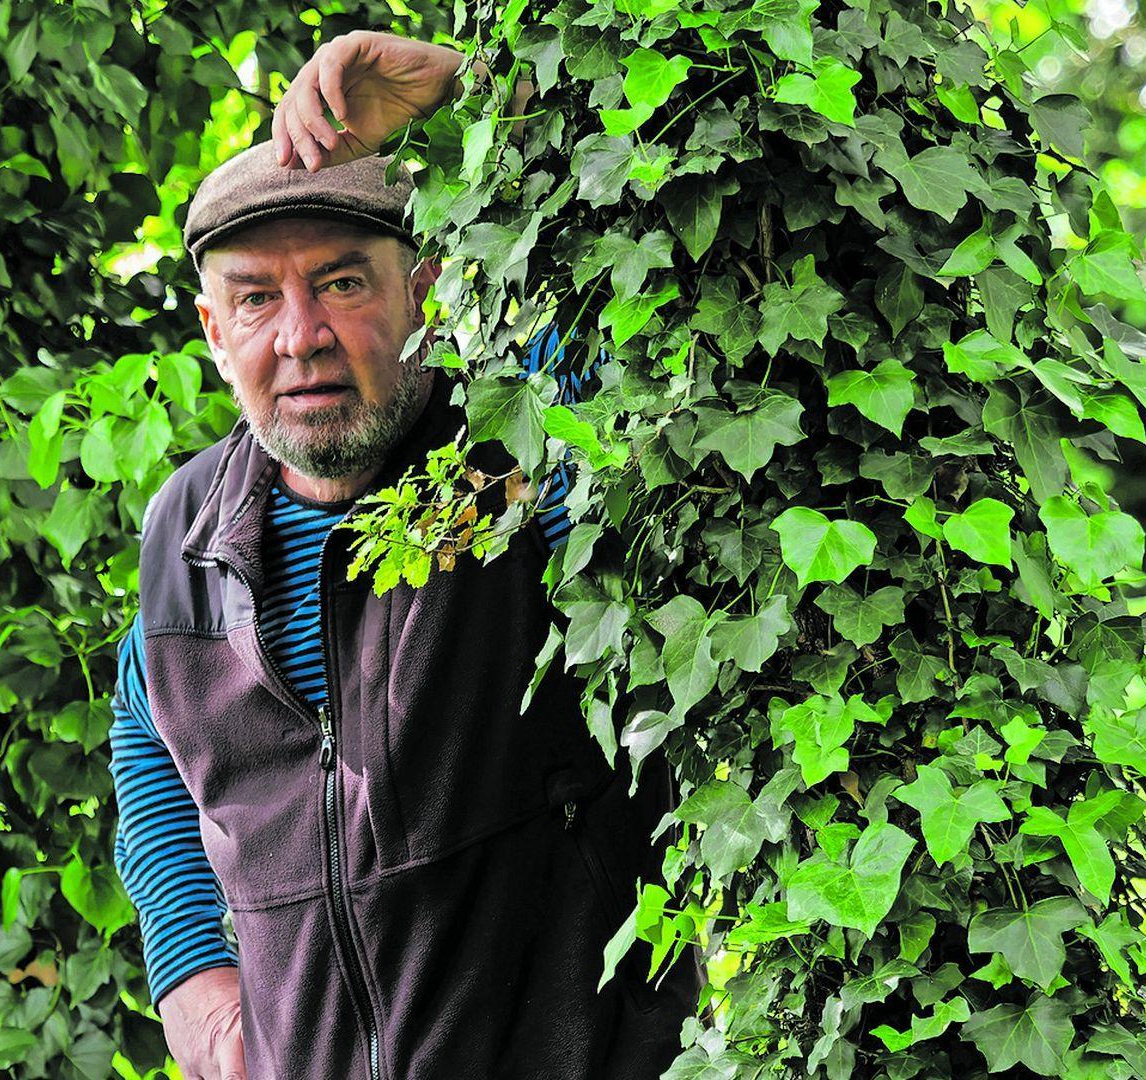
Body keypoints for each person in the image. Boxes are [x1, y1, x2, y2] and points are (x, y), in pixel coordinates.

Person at [106, 29, 702, 1080]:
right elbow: (150, 743)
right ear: (211, 327)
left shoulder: (523, 452)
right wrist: (198, 992)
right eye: (256, 299)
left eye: (342, 284)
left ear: (424, 287)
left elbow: (650, 260)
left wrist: (482, 98)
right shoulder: (185, 532)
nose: (301, 337)